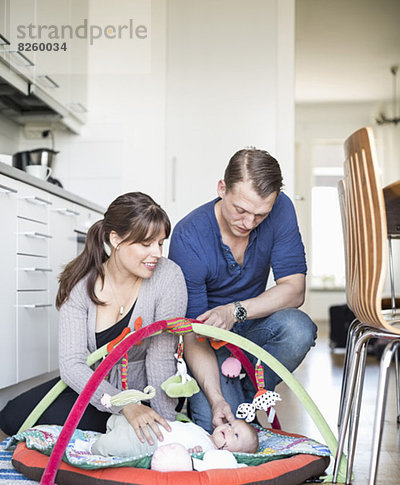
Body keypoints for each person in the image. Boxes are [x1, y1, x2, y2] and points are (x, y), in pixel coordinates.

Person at [0, 192, 187, 442]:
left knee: (142, 433)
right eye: (146, 244)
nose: (157, 253)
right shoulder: (80, 287)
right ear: (116, 239)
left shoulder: (168, 277)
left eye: (161, 243)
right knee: (12, 416)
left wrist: (168, 429)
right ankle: (113, 424)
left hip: (150, 389)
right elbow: (72, 364)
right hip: (99, 391)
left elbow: (161, 356)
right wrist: (124, 405)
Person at [168, 148, 317, 433]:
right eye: (241, 210)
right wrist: (216, 399)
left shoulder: (282, 208)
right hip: (207, 344)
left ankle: (249, 394)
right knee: (222, 430)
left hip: (250, 329)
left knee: (298, 329)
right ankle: (233, 402)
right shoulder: (189, 236)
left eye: (260, 215)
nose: (248, 223)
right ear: (222, 188)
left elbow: (294, 290)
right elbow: (192, 335)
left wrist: (234, 312)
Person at [91, 414, 259, 458]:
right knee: (118, 421)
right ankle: (111, 427)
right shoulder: (205, 433)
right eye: (230, 425)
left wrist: (194, 458)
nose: (229, 430)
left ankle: (93, 448)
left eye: (235, 435)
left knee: (116, 443)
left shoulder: (210, 454)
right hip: (151, 425)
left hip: (149, 443)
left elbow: (193, 467)